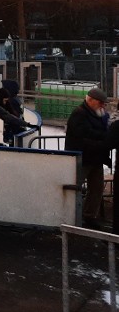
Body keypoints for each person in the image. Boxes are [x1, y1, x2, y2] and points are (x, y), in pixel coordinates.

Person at [65, 87, 111, 227]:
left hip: (95, 158)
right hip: (82, 158)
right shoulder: (79, 114)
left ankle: (89, 216)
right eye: (100, 102)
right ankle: (70, 216)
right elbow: (84, 135)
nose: (103, 105)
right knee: (75, 186)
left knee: (96, 189)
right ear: (90, 100)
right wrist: (105, 140)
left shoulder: (98, 113)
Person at [0, 80, 24, 145]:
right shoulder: (15, 99)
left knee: (13, 145)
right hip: (15, 129)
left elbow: (12, 117)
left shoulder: (12, 101)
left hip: (13, 130)